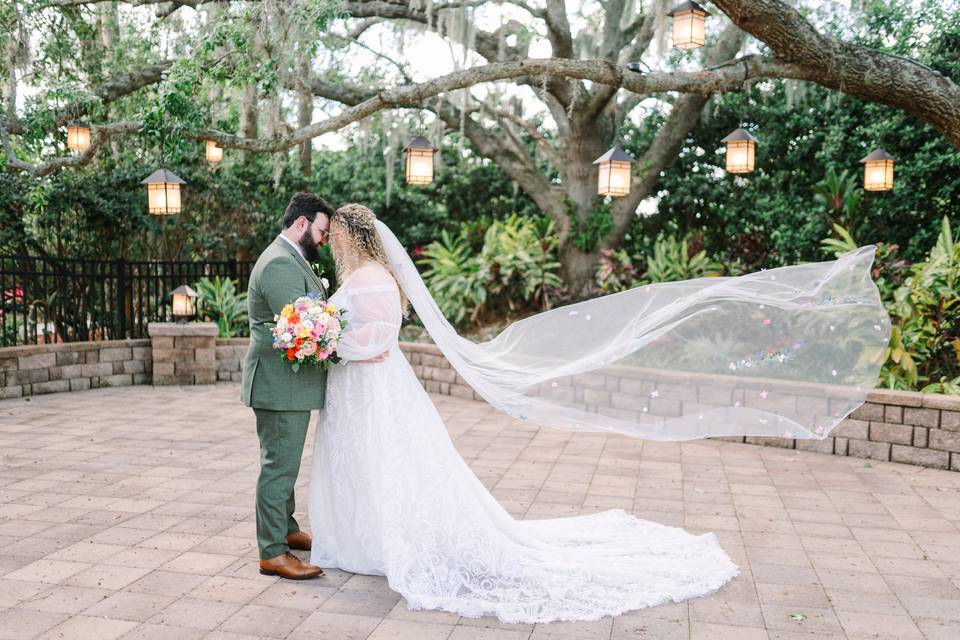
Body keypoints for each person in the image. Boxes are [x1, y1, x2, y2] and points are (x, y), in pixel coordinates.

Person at [307, 203, 741, 623]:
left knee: (388, 461)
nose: (331, 242)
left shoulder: (374, 277)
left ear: (354, 234)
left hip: (374, 388)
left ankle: (388, 541)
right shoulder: (364, 274)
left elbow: (382, 337)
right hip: (357, 386)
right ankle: (362, 539)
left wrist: (331, 345)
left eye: (337, 234)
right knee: (362, 462)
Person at [241, 192, 334, 580]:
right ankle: (272, 552)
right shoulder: (280, 263)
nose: (324, 239)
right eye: (322, 231)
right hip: (279, 385)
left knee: (286, 462)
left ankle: (287, 529)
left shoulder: (292, 257)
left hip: (287, 384)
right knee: (278, 466)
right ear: (302, 224)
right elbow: (301, 326)